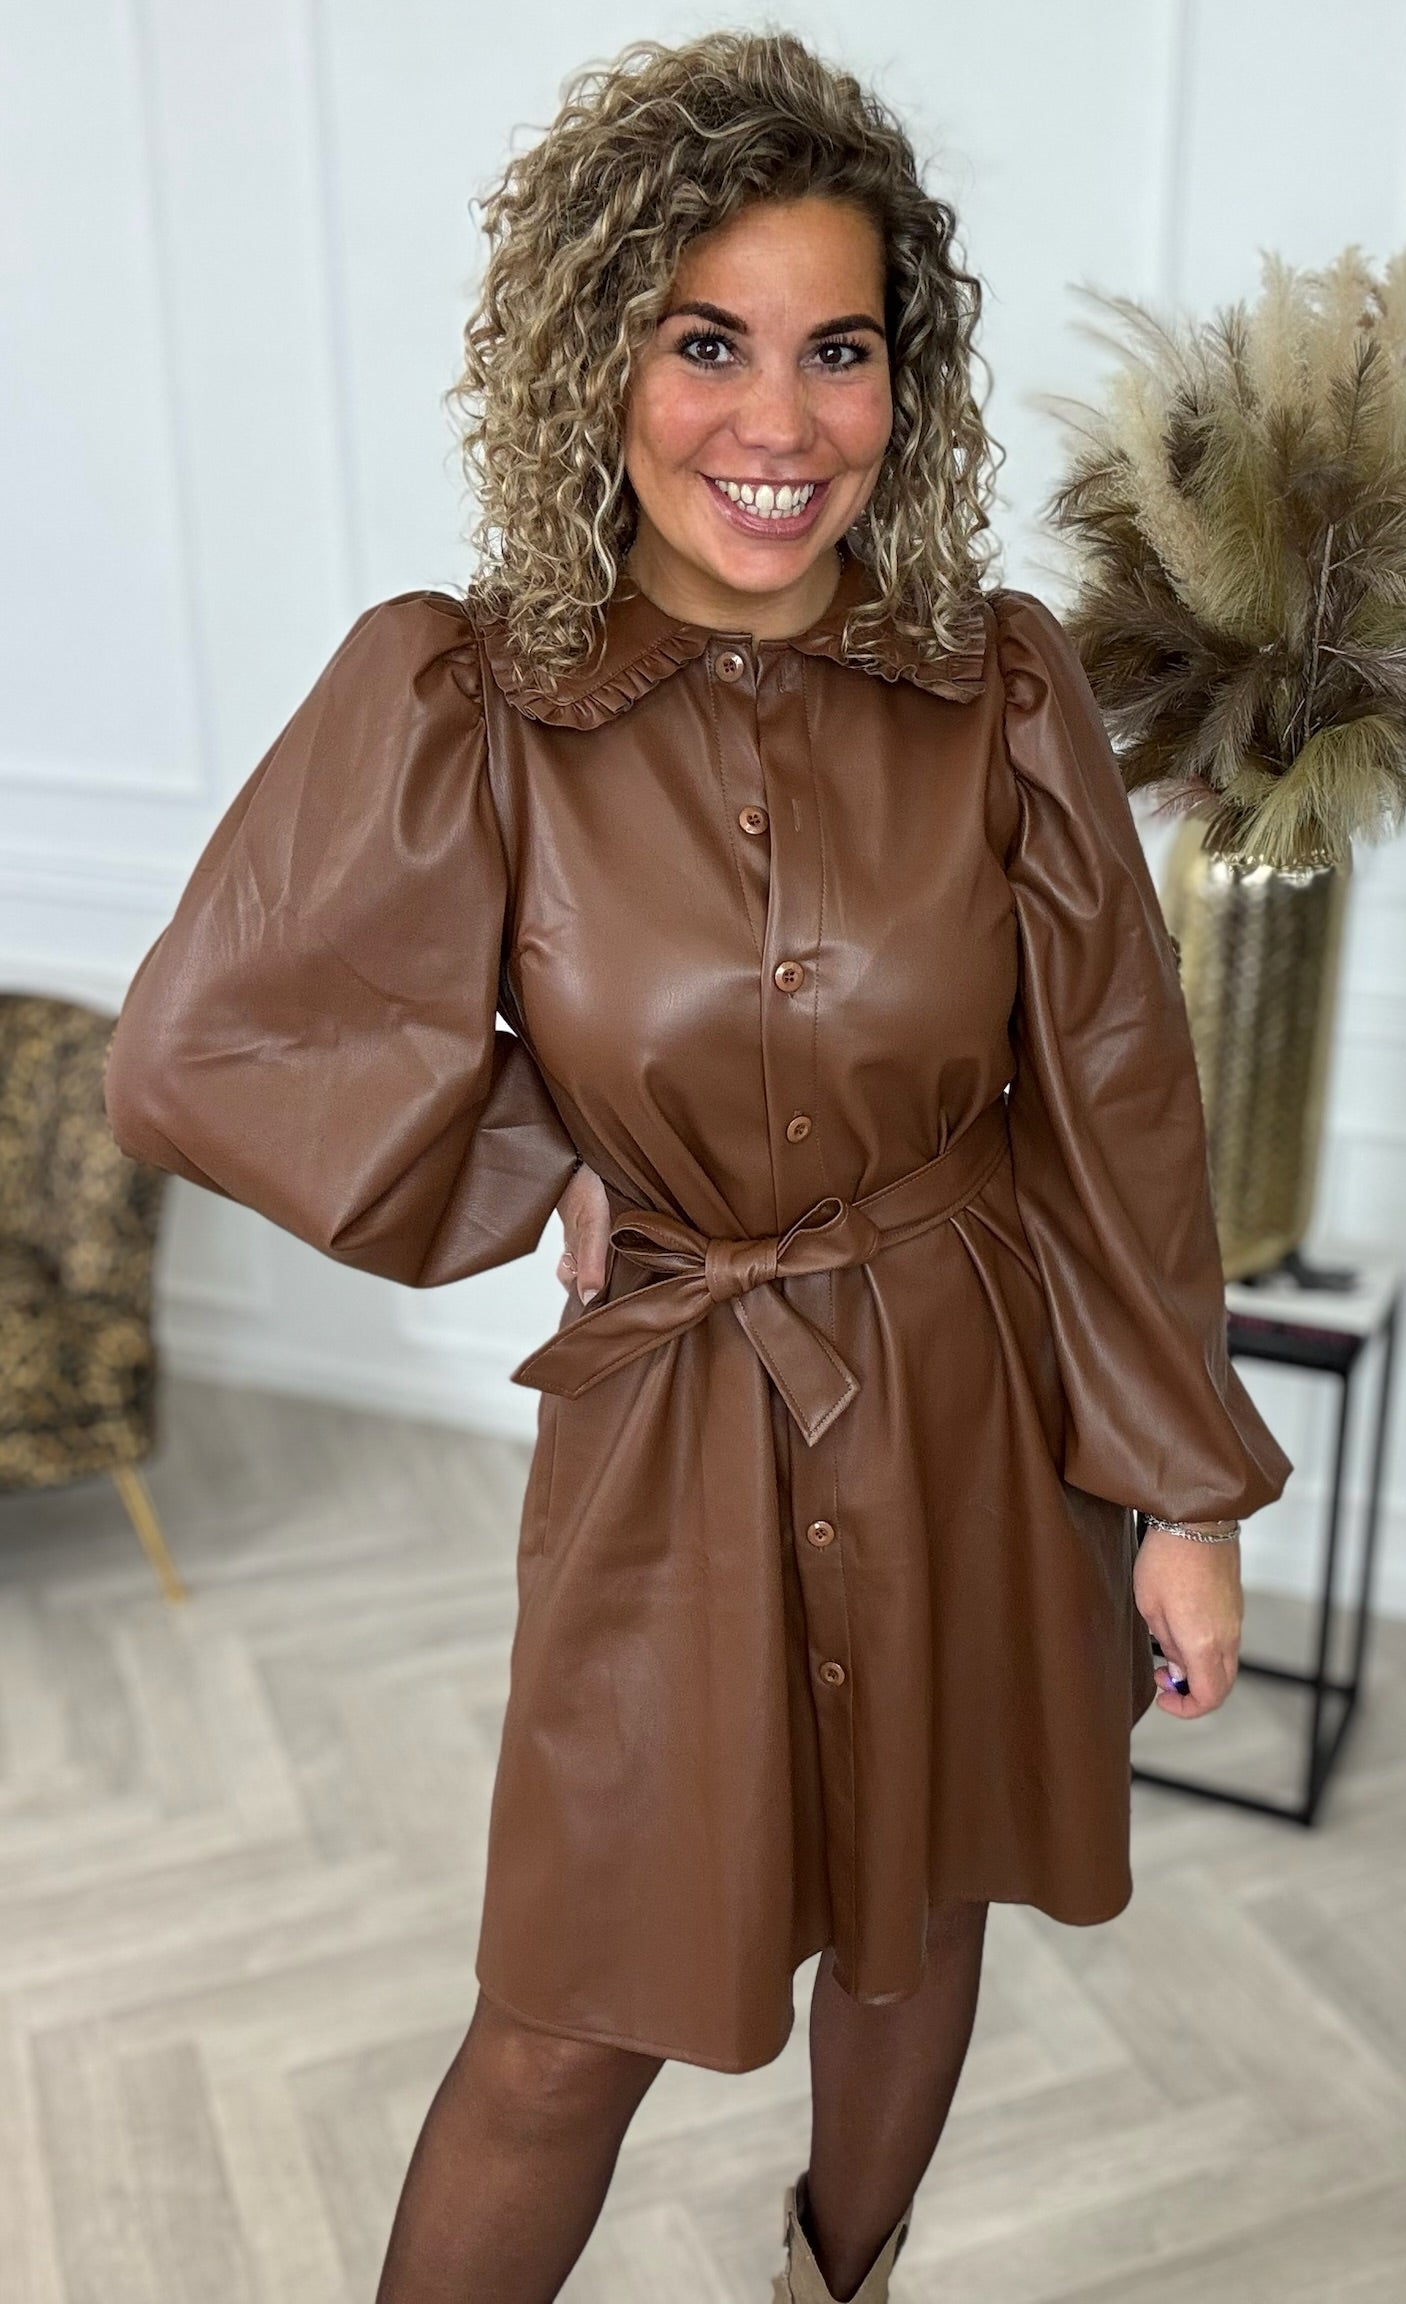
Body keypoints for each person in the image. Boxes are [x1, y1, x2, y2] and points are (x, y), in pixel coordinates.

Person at [103, 28, 1293, 2304]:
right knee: (565, 2027)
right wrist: (533, 1138)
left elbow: (1116, 1103)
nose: (782, 421)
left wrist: (1187, 1499)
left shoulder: (1000, 689)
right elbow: (203, 1049)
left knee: (922, 1920)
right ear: (601, 365)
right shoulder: (469, 697)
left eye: (839, 350)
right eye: (708, 342)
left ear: (904, 382)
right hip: (670, 1427)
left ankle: (837, 2283)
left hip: (972, 1397)